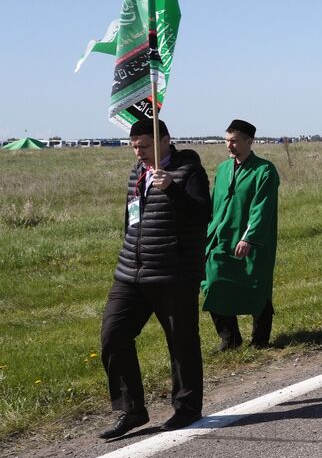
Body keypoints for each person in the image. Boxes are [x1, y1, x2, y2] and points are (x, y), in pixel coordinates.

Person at [98, 118, 212, 439]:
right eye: (134, 147)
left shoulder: (189, 172)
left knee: (181, 342)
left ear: (165, 140)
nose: (139, 153)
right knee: (113, 336)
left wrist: (172, 189)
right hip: (131, 272)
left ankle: (187, 407)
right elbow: (131, 220)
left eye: (145, 146)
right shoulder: (137, 173)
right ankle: (131, 409)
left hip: (173, 273)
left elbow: (203, 214)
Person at [203, 119, 279, 352]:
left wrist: (249, 237)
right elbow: (215, 201)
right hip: (220, 237)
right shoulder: (223, 169)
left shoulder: (264, 170)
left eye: (234, 141)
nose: (229, 146)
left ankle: (260, 339)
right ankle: (229, 337)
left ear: (249, 141)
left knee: (256, 286)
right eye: (227, 141)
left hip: (251, 240)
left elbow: (262, 208)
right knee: (213, 283)